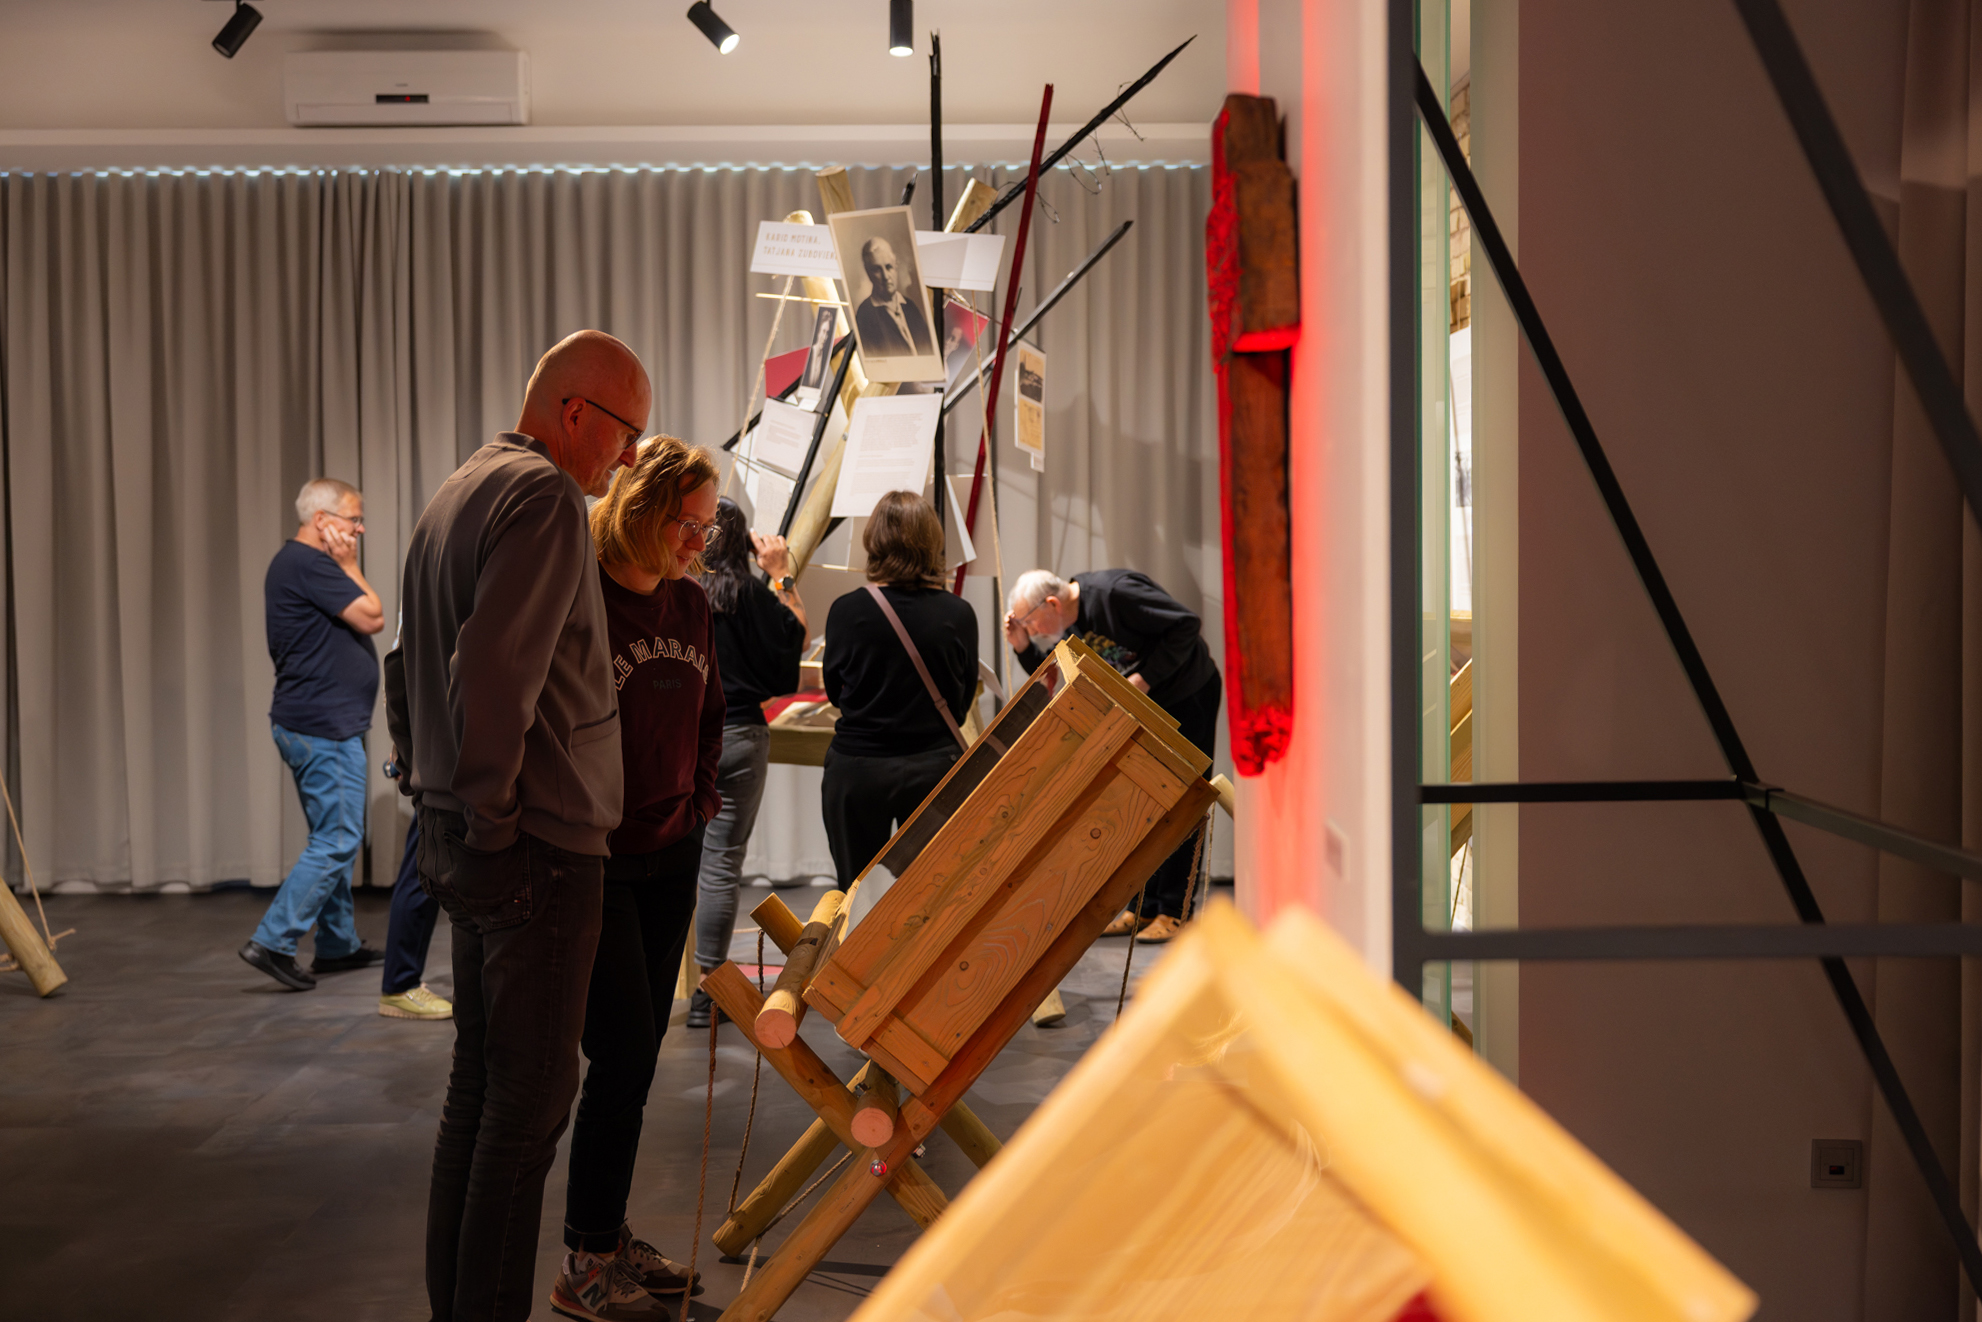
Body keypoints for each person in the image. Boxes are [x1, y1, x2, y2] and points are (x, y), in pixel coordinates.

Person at [384, 329, 647, 1322]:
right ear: (574, 411)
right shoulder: (543, 496)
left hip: (466, 829)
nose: (629, 457)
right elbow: (491, 673)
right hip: (532, 842)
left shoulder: (459, 487)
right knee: (526, 1111)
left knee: (481, 1098)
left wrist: (432, 790)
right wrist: (492, 816)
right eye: (626, 432)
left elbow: (405, 667)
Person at [552, 437, 725, 1322]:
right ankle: (585, 1262)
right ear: (640, 511)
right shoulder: (580, 597)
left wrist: (698, 803)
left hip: (672, 850)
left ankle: (608, 1236)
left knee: (641, 1055)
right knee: (619, 1055)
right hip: (602, 861)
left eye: (708, 526)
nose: (699, 541)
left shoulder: (690, 604)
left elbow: (710, 714)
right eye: (686, 523)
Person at [1004, 568, 1221, 943]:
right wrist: (1022, 647)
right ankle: (1143, 906)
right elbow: (1057, 681)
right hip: (1144, 707)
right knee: (1143, 801)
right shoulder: (1069, 624)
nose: (1034, 630)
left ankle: (1175, 910)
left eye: (1031, 622)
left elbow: (1186, 624)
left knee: (1183, 799)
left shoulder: (1116, 593)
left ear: (1052, 603)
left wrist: (1143, 679)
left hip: (1187, 695)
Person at [239, 478, 387, 991]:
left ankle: (337, 944)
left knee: (333, 835)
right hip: (324, 728)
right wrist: (350, 566)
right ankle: (273, 941)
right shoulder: (311, 564)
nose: (359, 529)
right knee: (338, 838)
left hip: (318, 724)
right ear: (322, 521)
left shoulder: (296, 564)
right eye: (353, 519)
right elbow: (373, 616)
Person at [686, 497, 808, 1030]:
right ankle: (707, 992)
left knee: (670, 858)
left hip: (682, 738)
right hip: (739, 734)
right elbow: (795, 641)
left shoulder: (679, 590)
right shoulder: (754, 595)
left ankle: (654, 982)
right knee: (721, 863)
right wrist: (780, 575)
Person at [821, 491, 976, 890]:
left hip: (858, 769)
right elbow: (960, 705)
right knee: (934, 893)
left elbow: (836, 693)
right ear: (932, 541)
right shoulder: (958, 613)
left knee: (855, 894)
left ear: (874, 540)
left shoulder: (846, 610)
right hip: (933, 769)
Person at [853, 237, 935, 359]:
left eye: (888, 267)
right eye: (877, 269)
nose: (886, 276)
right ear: (868, 272)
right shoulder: (865, 314)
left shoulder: (910, 306)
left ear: (896, 265)